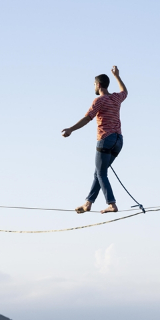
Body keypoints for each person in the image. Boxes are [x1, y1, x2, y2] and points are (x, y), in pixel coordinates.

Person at [62, 66, 128, 214]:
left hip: (105, 139)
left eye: (93, 84)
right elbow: (125, 91)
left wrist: (71, 129)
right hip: (119, 141)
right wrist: (117, 76)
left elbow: (87, 118)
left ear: (98, 85)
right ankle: (88, 203)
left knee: (101, 173)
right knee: (99, 172)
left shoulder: (99, 100)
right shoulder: (116, 98)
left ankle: (111, 203)